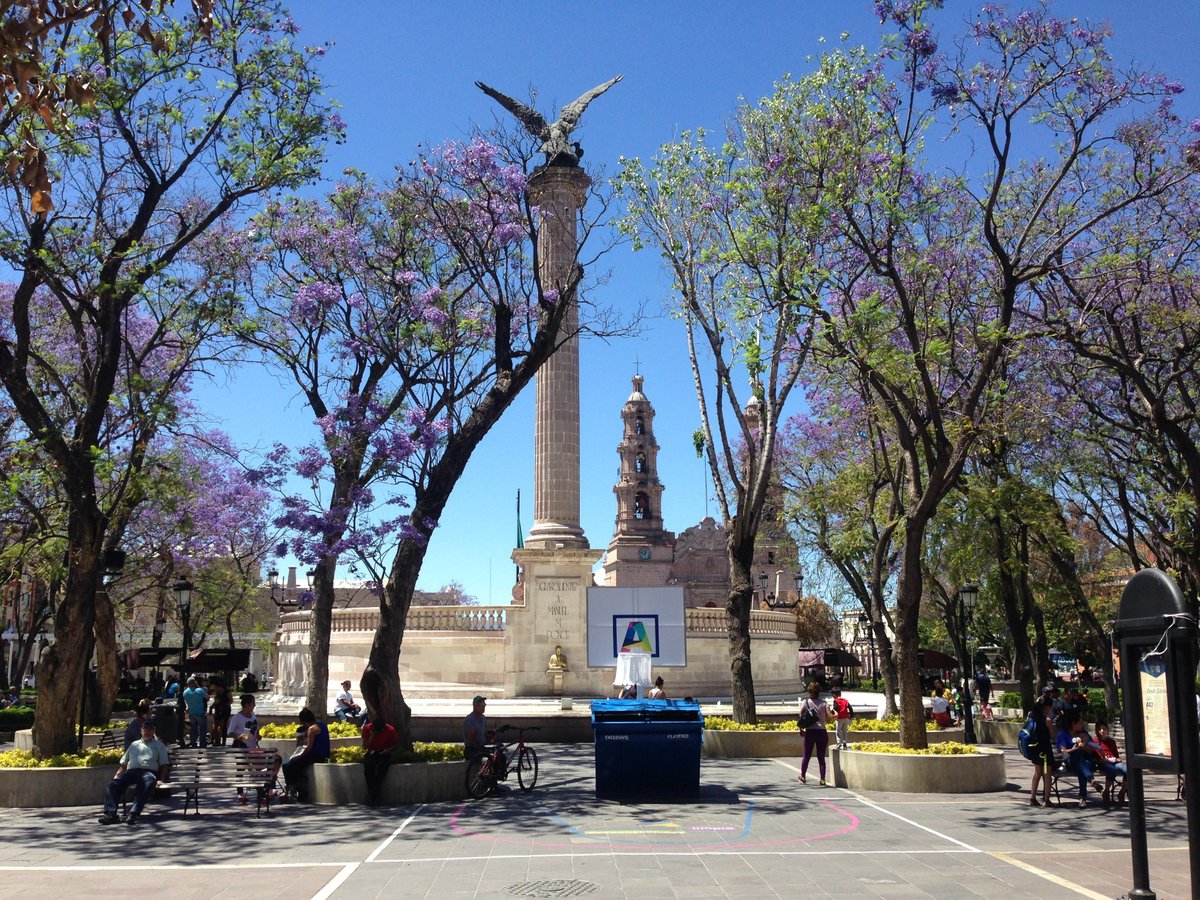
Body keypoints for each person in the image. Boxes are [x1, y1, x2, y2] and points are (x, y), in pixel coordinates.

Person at [97, 720, 170, 826]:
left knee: (148, 782)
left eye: (150, 730)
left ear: (154, 731)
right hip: (131, 772)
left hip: (148, 772)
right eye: (145, 729)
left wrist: (161, 780)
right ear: (141, 731)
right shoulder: (134, 744)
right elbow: (124, 763)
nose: (147, 732)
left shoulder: (159, 746)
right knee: (113, 784)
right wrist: (118, 775)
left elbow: (164, 765)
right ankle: (110, 814)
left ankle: (133, 813)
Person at [281, 708, 330, 803]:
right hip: (323, 753)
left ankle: (294, 788)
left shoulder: (312, 729)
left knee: (288, 765)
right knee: (291, 764)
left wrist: (298, 756)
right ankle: (294, 788)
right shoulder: (322, 724)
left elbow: (309, 747)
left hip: (316, 755)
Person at [1057, 710, 1096, 808]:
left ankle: (1083, 797)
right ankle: (1091, 782)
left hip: (1086, 762)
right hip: (1071, 761)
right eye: (1080, 723)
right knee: (1079, 760)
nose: (1082, 724)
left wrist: (1086, 745)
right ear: (1073, 724)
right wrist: (1076, 748)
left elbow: (1093, 749)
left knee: (1081, 766)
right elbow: (1063, 751)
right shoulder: (1063, 734)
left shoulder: (1084, 733)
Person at [361, 714, 400, 806]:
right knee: (368, 768)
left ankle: (376, 793)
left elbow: (396, 744)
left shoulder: (390, 730)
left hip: (384, 752)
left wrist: (388, 750)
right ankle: (372, 795)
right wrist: (371, 736)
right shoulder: (367, 728)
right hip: (372, 752)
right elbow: (364, 747)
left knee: (382, 769)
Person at [797, 682, 831, 785]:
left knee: (806, 756)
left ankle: (803, 777)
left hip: (810, 732)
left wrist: (801, 728)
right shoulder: (824, 703)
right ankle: (822, 779)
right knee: (821, 757)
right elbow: (829, 716)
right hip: (822, 732)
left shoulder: (806, 702)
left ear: (810, 692)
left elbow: (801, 714)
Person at [1028, 696, 1055, 807]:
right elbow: (1053, 736)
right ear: (1047, 707)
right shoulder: (1047, 720)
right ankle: (1046, 800)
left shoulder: (1031, 716)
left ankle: (1032, 798)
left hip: (1035, 748)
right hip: (1045, 749)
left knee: (1037, 773)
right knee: (1047, 774)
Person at [1094, 723, 1127, 805]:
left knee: (1127, 770)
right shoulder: (1095, 741)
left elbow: (1116, 755)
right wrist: (1104, 759)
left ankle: (1122, 793)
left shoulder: (1111, 741)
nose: (1102, 731)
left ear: (1107, 730)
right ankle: (1106, 792)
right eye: (1100, 729)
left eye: (1104, 729)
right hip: (1103, 762)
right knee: (1112, 770)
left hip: (1114, 761)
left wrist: (1117, 759)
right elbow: (1096, 756)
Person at [181, 676, 208, 747]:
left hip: (191, 712)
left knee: (193, 729)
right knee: (202, 729)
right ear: (194, 682)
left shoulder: (185, 692)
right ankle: (202, 743)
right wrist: (198, 686)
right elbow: (207, 697)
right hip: (200, 712)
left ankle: (193, 742)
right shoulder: (199, 690)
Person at [209, 680, 232, 746]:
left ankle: (222, 741)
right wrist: (211, 707)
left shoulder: (227, 692)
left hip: (225, 711)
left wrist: (224, 704)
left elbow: (231, 701)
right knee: (215, 727)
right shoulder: (217, 692)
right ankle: (216, 741)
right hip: (218, 710)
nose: (215, 689)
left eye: (216, 687)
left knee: (222, 727)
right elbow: (215, 701)